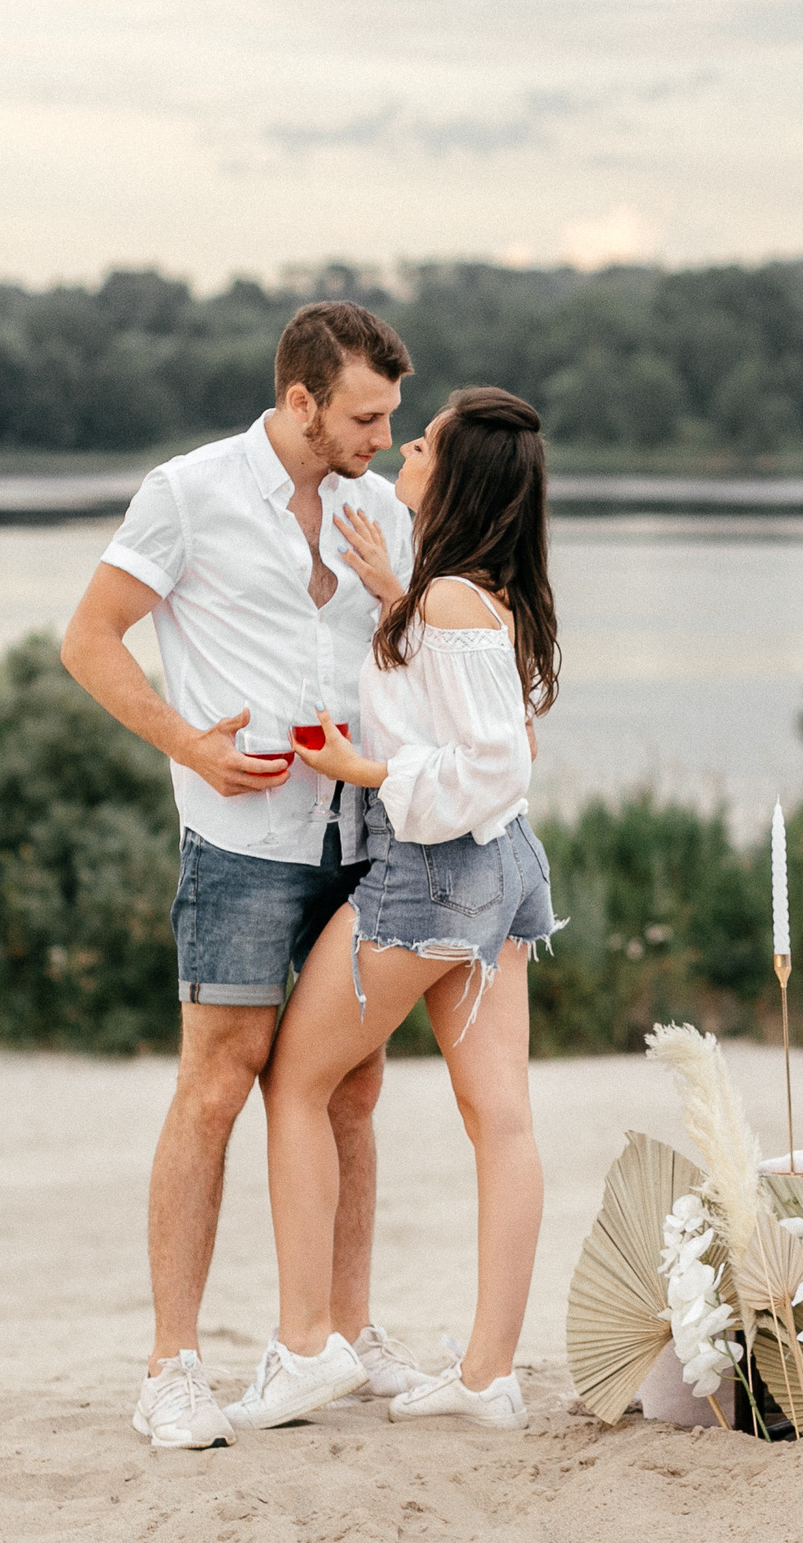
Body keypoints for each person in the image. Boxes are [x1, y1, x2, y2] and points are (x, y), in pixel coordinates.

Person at [59, 301, 434, 1450]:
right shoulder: (190, 491)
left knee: (353, 1089)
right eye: (365, 416)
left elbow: (415, 657)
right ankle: (173, 1369)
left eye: (392, 418)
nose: (381, 437)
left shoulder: (378, 508)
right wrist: (194, 748)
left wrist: (392, 596)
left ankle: (343, 1338)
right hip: (241, 847)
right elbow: (88, 639)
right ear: (301, 400)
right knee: (218, 1085)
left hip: (364, 839)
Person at [227, 386, 561, 1433]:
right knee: (497, 1116)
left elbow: (497, 760)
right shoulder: (467, 596)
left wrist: (361, 768)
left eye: (421, 443)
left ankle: (307, 1343)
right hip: (498, 871)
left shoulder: (454, 601)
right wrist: (390, 593)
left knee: (295, 1083)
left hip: (430, 875)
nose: (402, 449)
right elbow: (491, 726)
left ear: (450, 478)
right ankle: (486, 1374)